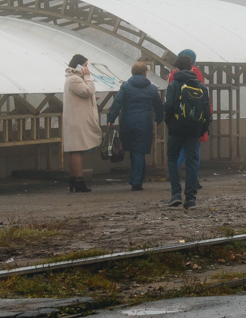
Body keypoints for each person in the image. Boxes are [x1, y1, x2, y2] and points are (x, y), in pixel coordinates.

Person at [165, 54, 212, 209]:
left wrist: (170, 123)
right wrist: (201, 129)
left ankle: (176, 194)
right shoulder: (200, 86)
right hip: (194, 130)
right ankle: (191, 199)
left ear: (176, 69)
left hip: (176, 129)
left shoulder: (174, 85)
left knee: (172, 158)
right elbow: (206, 111)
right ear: (191, 68)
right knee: (192, 161)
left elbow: (169, 107)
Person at [107, 61, 164, 191]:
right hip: (144, 123)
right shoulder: (152, 89)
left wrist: (111, 118)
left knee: (135, 151)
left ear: (132, 72)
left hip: (127, 122)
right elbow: (159, 106)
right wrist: (159, 119)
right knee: (139, 151)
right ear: (145, 73)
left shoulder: (126, 86)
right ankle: (136, 181)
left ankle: (138, 178)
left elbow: (117, 103)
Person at [62, 54, 101, 193]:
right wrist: (88, 76)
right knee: (77, 151)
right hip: (77, 121)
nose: (86, 68)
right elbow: (87, 90)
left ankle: (74, 179)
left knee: (74, 150)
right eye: (85, 65)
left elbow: (82, 95)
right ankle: (78, 180)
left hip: (74, 120)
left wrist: (91, 98)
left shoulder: (71, 79)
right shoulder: (75, 79)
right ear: (78, 66)